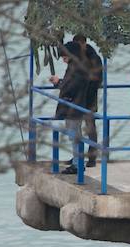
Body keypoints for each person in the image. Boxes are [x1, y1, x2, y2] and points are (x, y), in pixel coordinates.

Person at [49, 41, 90, 175]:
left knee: (75, 135)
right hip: (74, 106)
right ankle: (77, 162)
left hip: (75, 106)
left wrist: (58, 82)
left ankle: (78, 164)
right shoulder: (76, 66)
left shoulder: (77, 68)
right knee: (74, 135)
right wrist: (60, 83)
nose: (63, 59)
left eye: (64, 56)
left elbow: (71, 86)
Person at [74, 34, 102, 168]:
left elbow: (97, 79)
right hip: (78, 97)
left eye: (80, 45)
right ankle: (77, 156)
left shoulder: (94, 58)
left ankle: (92, 157)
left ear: (84, 43)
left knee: (90, 127)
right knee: (76, 127)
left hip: (90, 97)